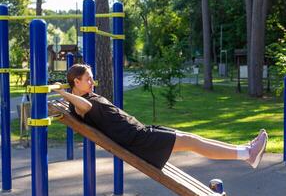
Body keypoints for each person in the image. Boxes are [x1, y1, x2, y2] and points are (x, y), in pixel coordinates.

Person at [54, 64, 268, 170]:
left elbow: (87, 100)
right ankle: (247, 153)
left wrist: (70, 92)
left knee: (191, 138)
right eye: (88, 79)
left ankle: (246, 151)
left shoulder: (87, 96)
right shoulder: (80, 106)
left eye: (91, 78)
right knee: (192, 142)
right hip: (138, 141)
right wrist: (63, 93)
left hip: (141, 132)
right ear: (76, 82)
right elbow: (85, 106)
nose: (92, 82)